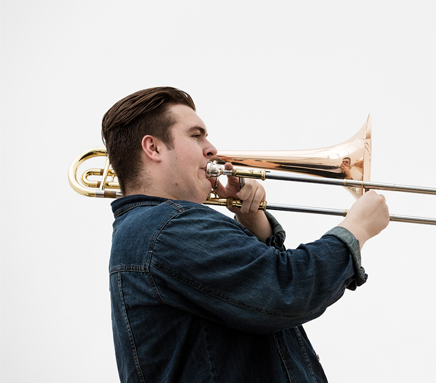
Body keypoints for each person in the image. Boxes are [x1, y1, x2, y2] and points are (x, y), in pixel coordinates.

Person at [101, 87, 389, 382]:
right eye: (196, 135)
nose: (212, 148)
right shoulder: (168, 226)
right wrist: (355, 229)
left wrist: (254, 222)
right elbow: (286, 290)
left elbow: (255, 296)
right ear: (154, 148)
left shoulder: (158, 228)